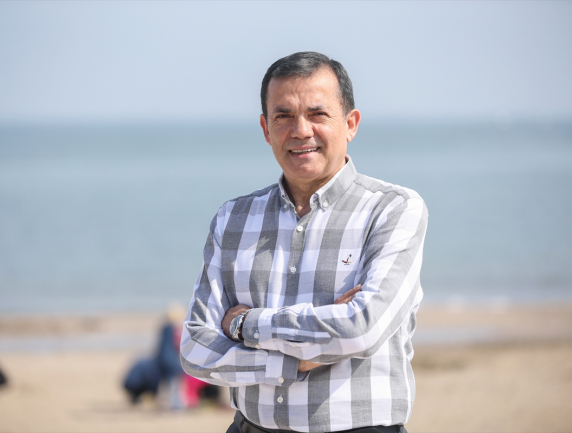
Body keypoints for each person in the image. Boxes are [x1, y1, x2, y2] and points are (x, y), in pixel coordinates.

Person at [180, 52, 428, 433]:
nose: (300, 130)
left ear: (350, 124)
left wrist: (244, 324)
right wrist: (293, 362)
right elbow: (195, 347)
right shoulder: (233, 219)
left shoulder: (392, 210)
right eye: (283, 116)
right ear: (266, 129)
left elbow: (361, 328)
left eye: (317, 114)